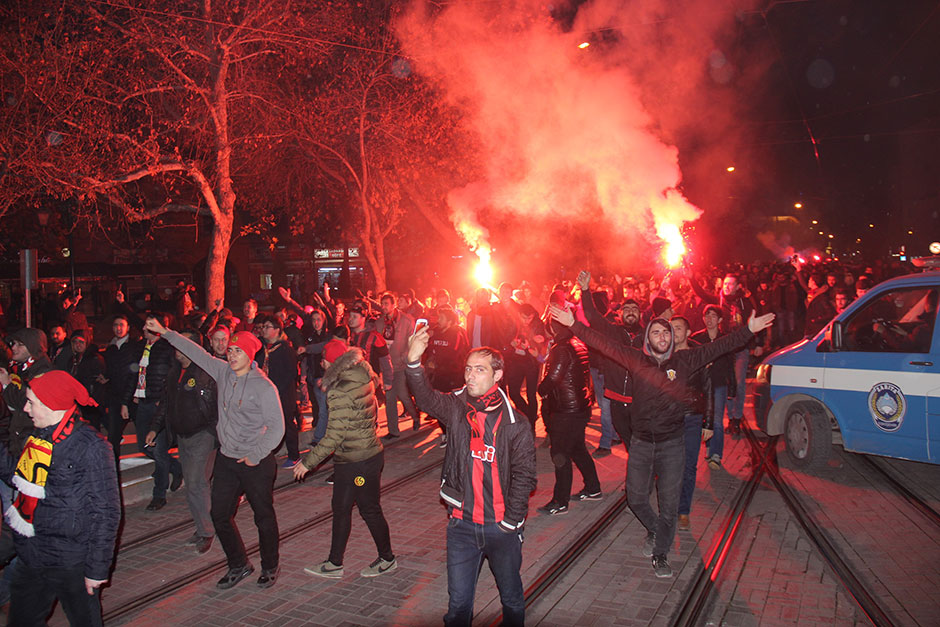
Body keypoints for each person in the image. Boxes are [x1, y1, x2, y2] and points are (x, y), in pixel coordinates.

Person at [549, 282, 774, 578]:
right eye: (655, 332)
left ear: (671, 338)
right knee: (636, 498)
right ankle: (657, 531)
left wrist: (748, 330)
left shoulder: (684, 360)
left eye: (666, 332)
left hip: (672, 445)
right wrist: (574, 324)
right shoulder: (636, 359)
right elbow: (601, 342)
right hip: (642, 443)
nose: (661, 336)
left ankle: (661, 553)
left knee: (669, 504)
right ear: (647, 338)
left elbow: (719, 346)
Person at [405, 330, 537, 627]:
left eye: (480, 369)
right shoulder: (456, 406)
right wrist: (413, 362)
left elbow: (525, 476)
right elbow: (426, 400)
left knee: (511, 599)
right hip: (462, 526)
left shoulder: (516, 423)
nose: (470, 376)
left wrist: (510, 522)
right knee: (458, 606)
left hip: (500, 528)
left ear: (498, 374)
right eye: (468, 368)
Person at [144, 317, 285, 589]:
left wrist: (255, 455)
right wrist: (166, 332)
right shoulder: (222, 372)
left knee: (263, 517)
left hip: (255, 461)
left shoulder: (264, 387)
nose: (231, 354)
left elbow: (277, 428)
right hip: (228, 459)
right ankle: (238, 564)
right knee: (219, 515)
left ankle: (270, 565)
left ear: (250, 354)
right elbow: (197, 352)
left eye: (238, 350)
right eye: (230, 350)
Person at [0, 370, 120, 626]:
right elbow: (19, 480)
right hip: (32, 555)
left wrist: (97, 570)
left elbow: (106, 512)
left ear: (51, 404)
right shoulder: (38, 438)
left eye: (31, 402)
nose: (25, 408)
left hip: (71, 562)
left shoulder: (93, 447)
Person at [294, 339, 396, 579]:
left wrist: (308, 463)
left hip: (357, 463)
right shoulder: (363, 375)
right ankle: (334, 563)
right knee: (341, 508)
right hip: (361, 457)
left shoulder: (339, 391)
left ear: (333, 361)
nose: (322, 362)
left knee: (368, 509)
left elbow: (333, 436)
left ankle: (387, 558)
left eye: (324, 359)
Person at [146, 329, 218, 554]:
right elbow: (165, 404)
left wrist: (216, 434)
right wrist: (154, 428)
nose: (177, 349)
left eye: (182, 344)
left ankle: (208, 531)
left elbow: (215, 406)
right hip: (182, 436)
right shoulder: (174, 372)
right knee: (192, 485)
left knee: (197, 483)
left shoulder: (206, 372)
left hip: (203, 435)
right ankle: (202, 527)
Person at [536, 315, 600, 515]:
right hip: (579, 406)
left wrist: (541, 389)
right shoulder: (577, 343)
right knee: (578, 449)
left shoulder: (561, 348)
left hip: (567, 409)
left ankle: (560, 501)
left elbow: (554, 377)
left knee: (560, 454)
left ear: (553, 329)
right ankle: (593, 488)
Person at [122, 313, 183, 511]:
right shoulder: (140, 348)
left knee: (158, 448)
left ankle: (159, 494)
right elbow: (133, 374)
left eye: (149, 326)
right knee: (144, 445)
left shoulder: (167, 348)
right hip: (143, 403)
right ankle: (176, 468)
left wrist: (166, 400)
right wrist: (126, 401)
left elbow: (173, 377)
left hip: (159, 404)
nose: (145, 330)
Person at [690, 305, 735, 470]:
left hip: (718, 384)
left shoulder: (725, 340)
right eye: (706, 316)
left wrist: (732, 386)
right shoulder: (696, 339)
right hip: (699, 386)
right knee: (700, 419)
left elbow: (730, 364)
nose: (709, 319)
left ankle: (716, 454)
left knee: (716, 420)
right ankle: (709, 449)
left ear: (720, 320)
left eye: (713, 316)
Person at [255, 314, 301, 467]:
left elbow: (291, 373)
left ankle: (294, 455)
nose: (264, 330)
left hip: (283, 394)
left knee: (287, 424)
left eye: (267, 327)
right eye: (263, 327)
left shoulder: (285, 349)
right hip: (265, 394)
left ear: (277, 330)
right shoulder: (262, 348)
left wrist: (277, 389)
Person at [374, 292, 419, 436]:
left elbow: (412, 341)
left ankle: (415, 415)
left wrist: (405, 356)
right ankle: (393, 430)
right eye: (382, 304)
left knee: (403, 394)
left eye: (386, 304)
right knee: (390, 398)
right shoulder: (379, 322)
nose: (384, 307)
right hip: (386, 365)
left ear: (394, 305)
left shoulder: (406, 320)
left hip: (400, 364)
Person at [100, 314, 139, 473]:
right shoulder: (110, 349)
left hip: (133, 398)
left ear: (128, 327)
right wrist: (106, 378)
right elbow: (112, 370)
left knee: (145, 437)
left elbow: (133, 374)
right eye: (116, 325)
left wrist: (126, 400)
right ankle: (112, 472)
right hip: (116, 398)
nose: (118, 328)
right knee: (113, 437)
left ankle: (169, 467)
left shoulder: (134, 347)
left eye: (122, 325)